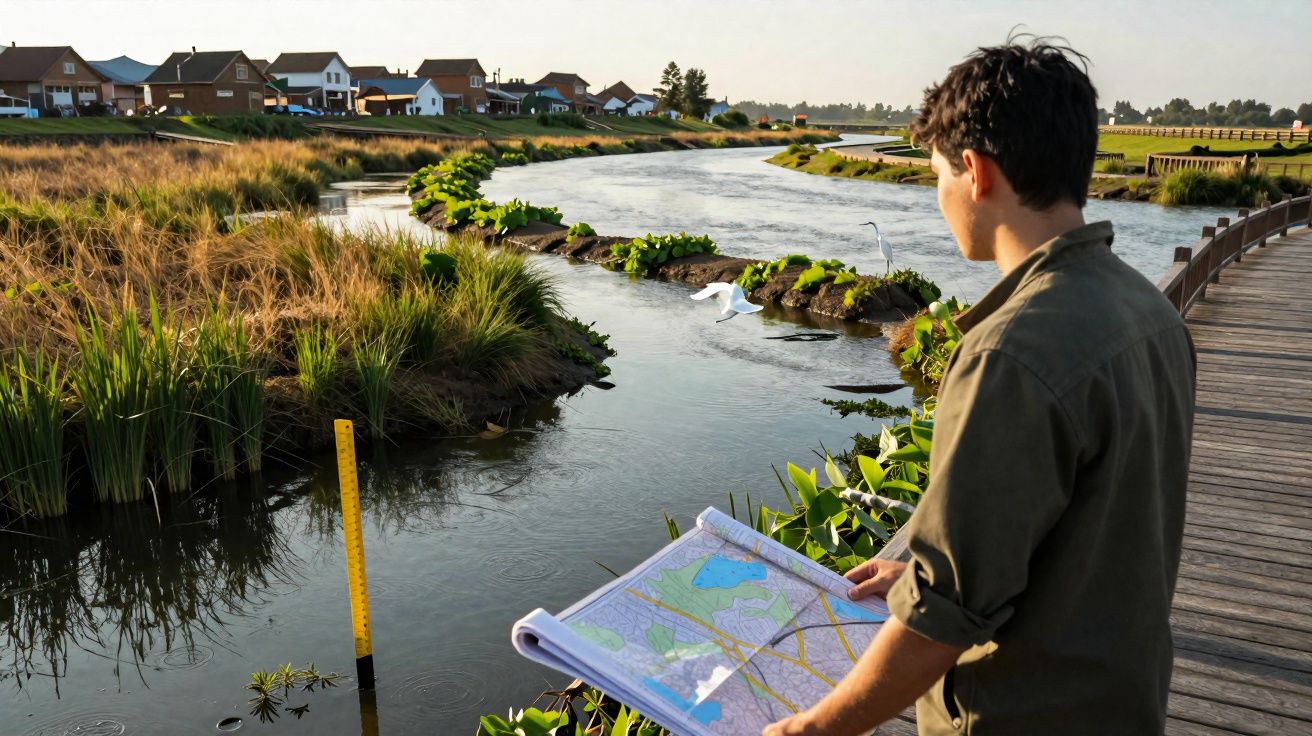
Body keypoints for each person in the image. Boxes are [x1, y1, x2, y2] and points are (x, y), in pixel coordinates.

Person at [764, 36, 1196, 736]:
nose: (939, 198)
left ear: (975, 171)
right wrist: (912, 574)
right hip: (1120, 703)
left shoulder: (1009, 352)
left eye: (938, 175)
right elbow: (1073, 522)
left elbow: (946, 613)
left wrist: (812, 728)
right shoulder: (1147, 310)